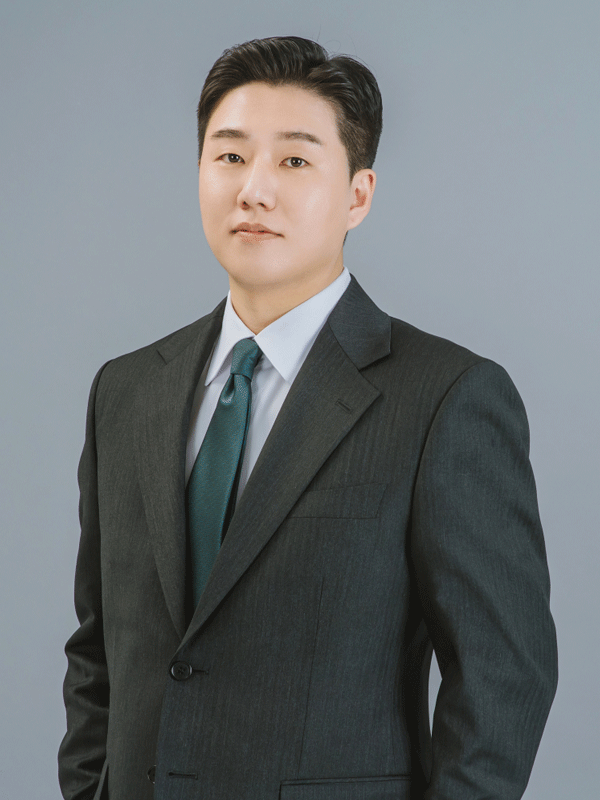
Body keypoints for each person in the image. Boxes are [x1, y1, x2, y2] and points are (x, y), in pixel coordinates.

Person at [58, 35, 558, 800]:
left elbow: (503, 677)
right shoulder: (125, 391)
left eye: (294, 160)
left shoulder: (445, 399)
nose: (254, 189)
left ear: (358, 194)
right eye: (230, 156)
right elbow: (98, 653)